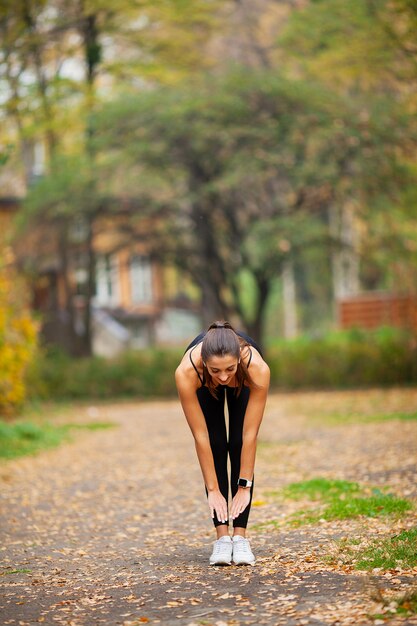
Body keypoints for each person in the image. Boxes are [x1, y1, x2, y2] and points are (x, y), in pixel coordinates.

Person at [175, 321, 270, 566]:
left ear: (238, 359)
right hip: (202, 383)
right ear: (205, 363)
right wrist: (214, 489)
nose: (224, 377)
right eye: (216, 371)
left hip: (245, 378)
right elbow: (201, 436)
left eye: (229, 368)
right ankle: (222, 539)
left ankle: (240, 538)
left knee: (237, 442)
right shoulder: (187, 372)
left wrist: (245, 487)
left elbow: (250, 435)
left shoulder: (255, 367)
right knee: (217, 443)